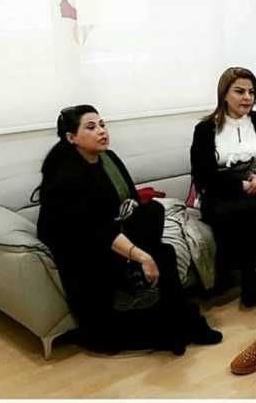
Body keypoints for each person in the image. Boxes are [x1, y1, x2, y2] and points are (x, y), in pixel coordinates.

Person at [36, 105, 222, 356]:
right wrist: (142, 256)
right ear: (71, 137)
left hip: (111, 230)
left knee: (155, 218)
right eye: (91, 127)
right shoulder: (65, 174)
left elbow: (130, 200)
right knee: (159, 255)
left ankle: (182, 323)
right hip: (81, 248)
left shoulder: (108, 158)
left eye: (102, 124)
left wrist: (131, 221)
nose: (101, 131)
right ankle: (182, 325)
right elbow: (95, 229)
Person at [190, 67, 256, 307]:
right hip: (219, 195)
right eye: (239, 91)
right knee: (249, 211)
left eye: (251, 92)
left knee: (254, 209)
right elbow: (204, 176)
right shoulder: (205, 129)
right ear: (224, 94)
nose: (247, 97)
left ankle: (243, 278)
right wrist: (246, 186)